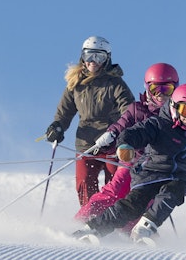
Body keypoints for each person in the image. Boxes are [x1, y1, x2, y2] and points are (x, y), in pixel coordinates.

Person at [73, 83, 186, 245]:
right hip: (150, 173)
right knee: (131, 206)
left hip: (178, 177)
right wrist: (125, 145)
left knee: (172, 193)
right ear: (174, 107)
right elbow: (133, 133)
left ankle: (144, 229)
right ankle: (93, 228)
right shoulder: (158, 124)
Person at [74, 62, 180, 222]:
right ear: (147, 88)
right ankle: (84, 218)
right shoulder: (137, 109)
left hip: (157, 169)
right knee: (115, 191)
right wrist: (111, 134)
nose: (161, 95)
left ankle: (130, 232)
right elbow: (122, 124)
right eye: (155, 89)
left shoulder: (178, 118)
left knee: (144, 202)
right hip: (133, 163)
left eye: (167, 89)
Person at [44, 36, 135, 208]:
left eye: (99, 57)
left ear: (107, 59)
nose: (93, 61)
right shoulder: (76, 83)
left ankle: (114, 219)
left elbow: (129, 110)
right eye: (89, 56)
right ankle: (89, 217)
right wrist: (57, 127)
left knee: (116, 183)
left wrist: (121, 132)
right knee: (84, 182)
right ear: (82, 57)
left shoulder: (115, 84)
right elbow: (65, 111)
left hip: (112, 142)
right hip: (86, 143)